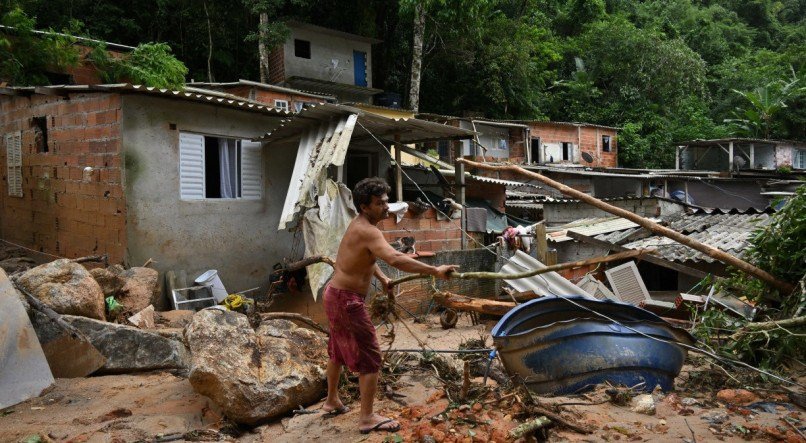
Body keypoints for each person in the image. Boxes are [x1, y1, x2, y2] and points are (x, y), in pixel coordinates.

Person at [322, 177, 458, 434]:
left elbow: (367, 257)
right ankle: (367, 418)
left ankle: (331, 400)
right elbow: (395, 258)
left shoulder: (361, 225)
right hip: (346, 300)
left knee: (337, 351)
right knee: (371, 356)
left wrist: (383, 278)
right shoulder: (369, 230)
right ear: (364, 206)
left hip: (335, 295)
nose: (386, 206)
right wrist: (435, 270)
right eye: (379, 203)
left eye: (386, 201)